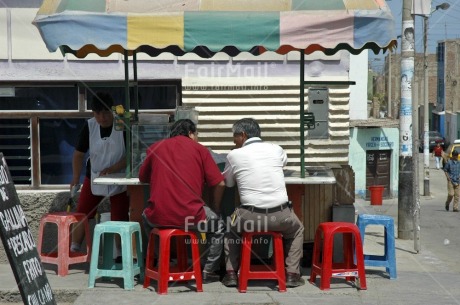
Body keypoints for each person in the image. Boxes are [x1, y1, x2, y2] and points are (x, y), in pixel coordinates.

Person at [138, 119, 226, 283]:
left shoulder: (155, 147)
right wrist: (215, 208)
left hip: (158, 216)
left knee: (145, 217)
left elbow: (142, 177)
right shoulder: (200, 150)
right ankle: (208, 270)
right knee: (219, 225)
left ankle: (164, 261)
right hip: (191, 216)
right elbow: (220, 183)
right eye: (197, 134)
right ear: (191, 133)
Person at [221, 118, 305, 288]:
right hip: (281, 215)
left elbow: (229, 184)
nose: (233, 140)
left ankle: (230, 274)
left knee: (230, 225)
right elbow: (282, 164)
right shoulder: (277, 149)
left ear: (243, 135)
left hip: (248, 216)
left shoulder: (233, 155)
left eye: (234, 136)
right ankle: (291, 274)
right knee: (297, 230)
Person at [70, 92, 130, 261]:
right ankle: (74, 248)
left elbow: (131, 154)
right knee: (83, 212)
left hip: (119, 177)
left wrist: (114, 168)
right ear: (93, 113)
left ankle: (119, 253)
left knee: (120, 215)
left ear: (112, 111)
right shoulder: (89, 126)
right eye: (97, 113)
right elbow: (78, 154)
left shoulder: (123, 125)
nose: (102, 118)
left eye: (105, 113)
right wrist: (76, 178)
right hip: (94, 175)